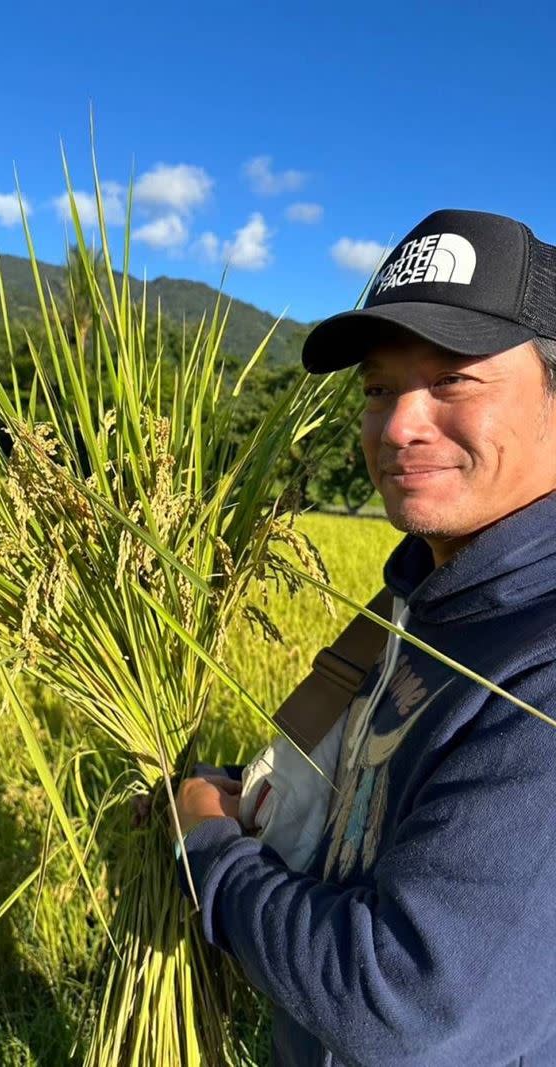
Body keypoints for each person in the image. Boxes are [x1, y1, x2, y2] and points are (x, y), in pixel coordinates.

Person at [174, 208, 556, 1066]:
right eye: (379, 388)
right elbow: (389, 807)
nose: (398, 426)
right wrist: (243, 800)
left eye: (454, 379)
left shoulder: (542, 662)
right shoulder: (428, 597)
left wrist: (210, 854)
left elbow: (406, 1002)